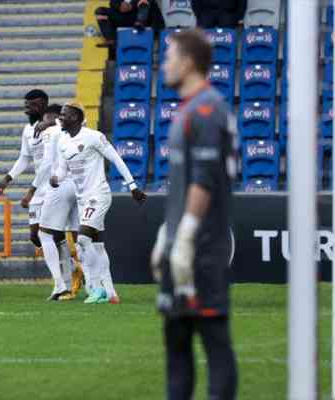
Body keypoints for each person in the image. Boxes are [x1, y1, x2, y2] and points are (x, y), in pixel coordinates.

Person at [151, 29, 238, 399]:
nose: (164, 65)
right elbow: (185, 183)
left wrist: (185, 236)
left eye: (169, 57)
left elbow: (203, 181)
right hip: (179, 243)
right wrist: (165, 234)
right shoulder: (188, 109)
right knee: (177, 343)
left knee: (214, 340)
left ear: (187, 62)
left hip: (201, 248)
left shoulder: (207, 108)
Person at [51, 102, 147, 304]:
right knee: (98, 245)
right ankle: (111, 293)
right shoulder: (62, 142)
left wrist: (132, 186)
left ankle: (96, 289)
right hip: (82, 199)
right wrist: (56, 178)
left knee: (82, 241)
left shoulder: (93, 137)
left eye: (64, 115)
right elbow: (62, 170)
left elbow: (116, 159)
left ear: (75, 118)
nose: (60, 118)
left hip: (99, 194)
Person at [30, 104, 79, 300]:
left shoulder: (50, 132)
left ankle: (60, 284)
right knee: (78, 239)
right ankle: (95, 286)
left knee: (44, 234)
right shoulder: (79, 130)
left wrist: (31, 189)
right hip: (80, 186)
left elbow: (47, 163)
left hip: (58, 185)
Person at [0, 90, 48, 260]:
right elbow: (24, 158)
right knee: (35, 236)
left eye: (31, 106)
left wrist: (30, 191)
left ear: (41, 105)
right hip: (38, 188)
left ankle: (66, 275)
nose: (27, 110)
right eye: (26, 105)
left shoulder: (54, 127)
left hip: (56, 185)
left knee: (53, 234)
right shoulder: (27, 130)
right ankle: (68, 264)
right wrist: (7, 178)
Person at [95, 0, 165, 57]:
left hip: (140, 15)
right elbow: (112, 2)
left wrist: (131, 5)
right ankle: (111, 39)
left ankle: (140, 23)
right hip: (123, 16)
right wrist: (119, 5)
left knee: (144, 2)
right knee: (100, 11)